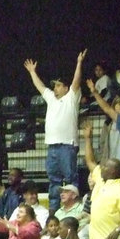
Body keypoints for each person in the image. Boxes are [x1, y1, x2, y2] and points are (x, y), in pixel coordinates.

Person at [24, 49, 86, 212]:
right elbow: (40, 86)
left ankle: (74, 209)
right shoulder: (51, 98)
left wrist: (79, 63)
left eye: (59, 85)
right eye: (55, 86)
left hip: (67, 145)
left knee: (71, 180)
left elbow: (76, 81)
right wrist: (32, 72)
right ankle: (53, 211)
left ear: (66, 87)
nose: (56, 88)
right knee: (54, 180)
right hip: (52, 146)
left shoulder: (72, 98)